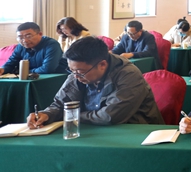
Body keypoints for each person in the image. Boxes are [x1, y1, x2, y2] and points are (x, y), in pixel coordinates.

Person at [27, 37, 163, 128]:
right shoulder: (78, 73)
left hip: (133, 131)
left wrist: (70, 115)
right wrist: (47, 114)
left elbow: (110, 116)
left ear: (102, 64)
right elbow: (61, 104)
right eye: (71, 71)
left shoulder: (128, 74)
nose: (75, 76)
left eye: (80, 72)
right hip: (92, 129)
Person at [0, 21, 69, 76]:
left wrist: (24, 72)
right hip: (32, 77)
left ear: (40, 34)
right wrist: (3, 69)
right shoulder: (21, 46)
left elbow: (47, 68)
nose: (24, 40)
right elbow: (11, 62)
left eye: (28, 36)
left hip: (55, 79)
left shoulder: (51, 44)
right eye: (20, 37)